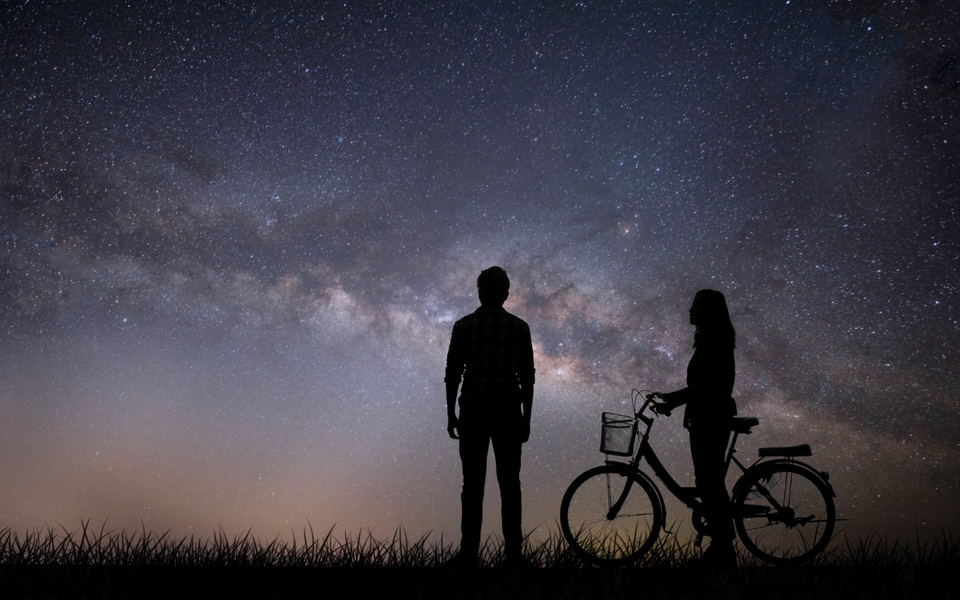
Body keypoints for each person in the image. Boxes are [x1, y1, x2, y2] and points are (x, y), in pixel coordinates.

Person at [443, 266, 536, 568]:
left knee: (472, 485)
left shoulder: (464, 326)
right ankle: (514, 556)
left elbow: (453, 372)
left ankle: (469, 555)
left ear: (480, 291)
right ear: (507, 293)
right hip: (508, 410)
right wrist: (527, 417)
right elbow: (528, 377)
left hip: (473, 409)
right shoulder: (519, 327)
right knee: (510, 484)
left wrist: (450, 412)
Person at [650, 289, 738, 567]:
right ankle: (722, 544)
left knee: (710, 481)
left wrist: (674, 399)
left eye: (696, 306)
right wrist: (674, 402)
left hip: (711, 418)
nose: (690, 310)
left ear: (710, 310)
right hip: (705, 417)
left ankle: (723, 547)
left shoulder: (715, 339)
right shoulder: (709, 339)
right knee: (708, 480)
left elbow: (706, 386)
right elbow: (700, 387)